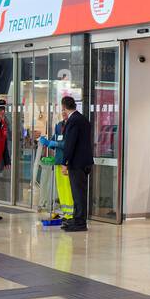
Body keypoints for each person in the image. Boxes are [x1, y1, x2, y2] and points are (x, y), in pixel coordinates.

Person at [58, 95, 92, 232]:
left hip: (77, 163)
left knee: (78, 194)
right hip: (84, 161)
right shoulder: (82, 119)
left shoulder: (73, 121)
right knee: (80, 193)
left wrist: (65, 161)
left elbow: (70, 144)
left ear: (64, 107)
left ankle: (80, 222)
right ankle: (77, 218)